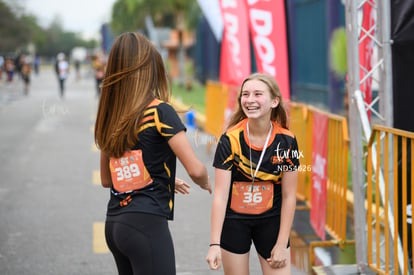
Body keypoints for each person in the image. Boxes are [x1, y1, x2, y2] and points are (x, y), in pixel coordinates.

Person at [94, 32, 212, 275]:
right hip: (145, 224)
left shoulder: (110, 115)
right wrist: (207, 182)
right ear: (149, 68)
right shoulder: (160, 112)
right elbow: (196, 169)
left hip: (115, 224)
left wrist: (164, 178)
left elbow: (108, 179)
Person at [206, 73, 300, 275]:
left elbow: (289, 195)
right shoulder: (229, 140)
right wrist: (214, 244)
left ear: (275, 101)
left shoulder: (287, 141)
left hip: (271, 220)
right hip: (235, 221)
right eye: (245, 94)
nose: (250, 100)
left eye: (258, 94)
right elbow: (220, 196)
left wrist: (282, 244)